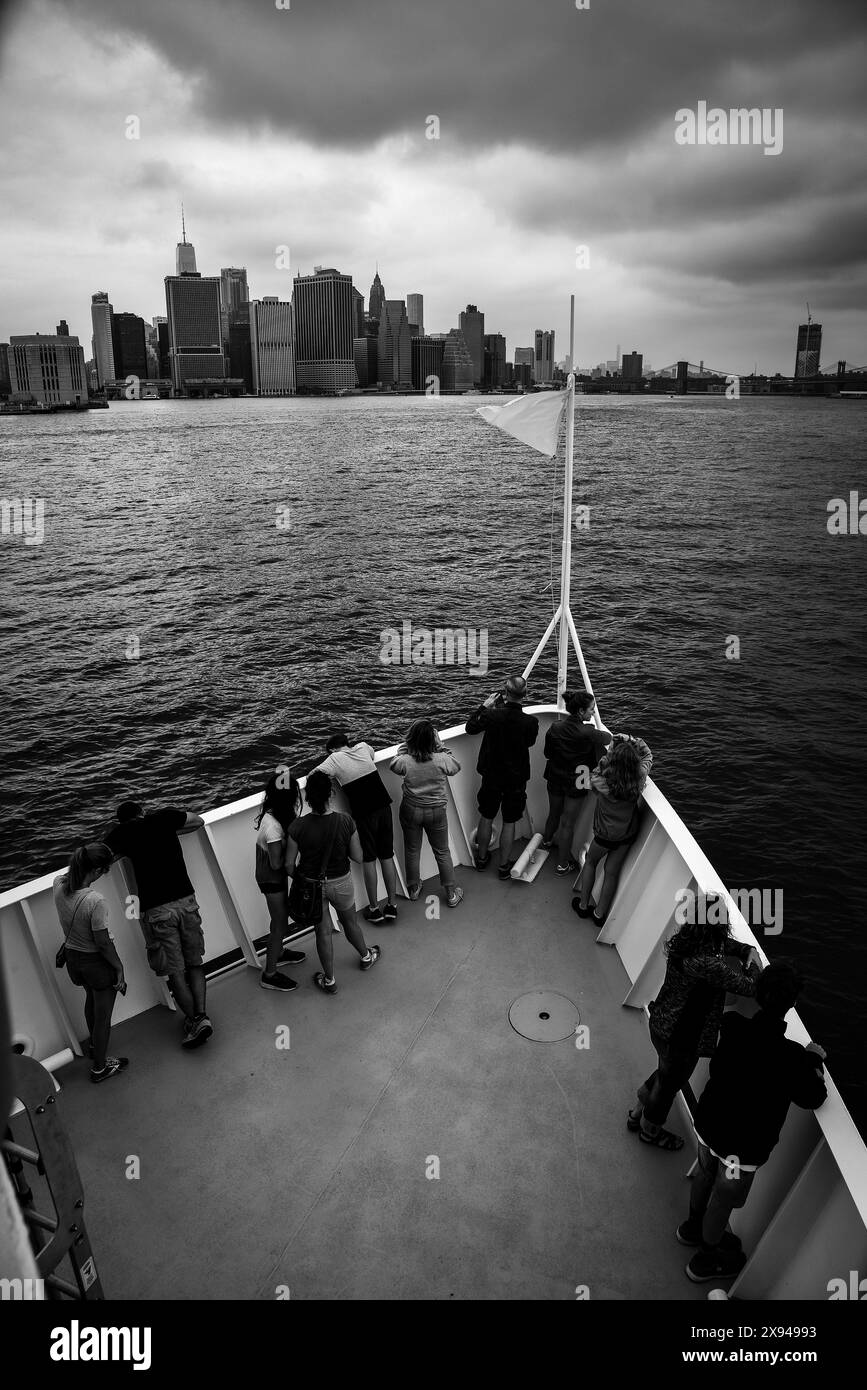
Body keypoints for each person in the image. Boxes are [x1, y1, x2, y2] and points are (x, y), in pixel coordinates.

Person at [682, 960, 827, 1282]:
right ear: (791, 1004)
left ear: (758, 995)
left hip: (708, 1123)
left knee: (705, 1173)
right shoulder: (793, 1057)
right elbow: (812, 1097)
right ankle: (704, 1260)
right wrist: (814, 1059)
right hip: (741, 1147)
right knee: (724, 1198)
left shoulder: (732, 1025)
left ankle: (692, 1226)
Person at [626, 915, 760, 1150]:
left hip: (662, 1022)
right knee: (669, 1086)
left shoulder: (684, 941)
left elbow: (723, 944)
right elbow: (749, 987)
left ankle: (637, 1112)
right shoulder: (707, 964)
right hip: (681, 1038)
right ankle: (650, 1131)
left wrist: (744, 948)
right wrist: (754, 962)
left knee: (666, 1073)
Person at [104, 801, 213, 1049]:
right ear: (142, 812)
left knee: (174, 970)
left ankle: (197, 1020)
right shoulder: (164, 819)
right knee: (195, 962)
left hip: (157, 911)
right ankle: (201, 1014)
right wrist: (172, 831)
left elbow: (102, 857)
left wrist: (124, 850)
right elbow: (198, 821)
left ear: (122, 821)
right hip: (187, 902)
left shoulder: (122, 834)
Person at [284, 769, 381, 994]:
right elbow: (358, 857)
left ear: (308, 798)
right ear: (331, 794)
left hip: (311, 886)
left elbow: (289, 865)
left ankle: (329, 980)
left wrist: (303, 880)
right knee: (350, 924)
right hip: (341, 882)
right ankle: (366, 956)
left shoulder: (297, 826)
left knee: (323, 932)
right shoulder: (345, 821)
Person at [53, 842, 128, 1084]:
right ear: (96, 871)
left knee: (91, 1000)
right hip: (96, 965)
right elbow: (103, 943)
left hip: (75, 960)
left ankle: (96, 1048)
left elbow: (68, 876)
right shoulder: (95, 901)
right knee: (103, 1018)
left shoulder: (58, 884)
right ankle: (100, 1068)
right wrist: (119, 968)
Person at [311, 733, 398, 924]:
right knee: (387, 855)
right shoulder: (363, 746)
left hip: (364, 813)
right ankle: (392, 905)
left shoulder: (334, 759)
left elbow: (314, 775)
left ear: (332, 749)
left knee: (369, 859)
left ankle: (374, 909)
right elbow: (372, 755)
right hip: (384, 806)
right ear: (346, 744)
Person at [572, 733, 652, 925]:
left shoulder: (601, 782)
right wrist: (633, 740)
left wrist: (611, 751)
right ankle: (599, 915)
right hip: (627, 834)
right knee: (611, 873)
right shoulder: (639, 778)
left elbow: (594, 772)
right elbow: (648, 755)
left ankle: (583, 906)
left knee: (591, 862)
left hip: (605, 835)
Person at [465, 675, 539, 880]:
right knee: (509, 820)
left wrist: (484, 707)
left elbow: (470, 728)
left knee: (486, 816)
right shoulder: (531, 722)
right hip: (516, 779)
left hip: (491, 775)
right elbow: (530, 743)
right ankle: (504, 866)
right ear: (525, 695)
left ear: (505, 694)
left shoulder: (492, 715)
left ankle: (481, 860)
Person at [389, 719, 463, 907]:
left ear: (411, 739)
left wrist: (407, 746)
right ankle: (451, 894)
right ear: (433, 741)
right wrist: (441, 746)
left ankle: (413, 889)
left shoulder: (405, 761)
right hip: (436, 811)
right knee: (442, 851)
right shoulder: (442, 760)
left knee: (412, 850)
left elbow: (394, 764)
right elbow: (456, 766)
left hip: (411, 809)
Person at [541, 689, 610, 874]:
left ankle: (546, 841)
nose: (593, 713)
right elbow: (608, 738)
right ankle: (562, 865)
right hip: (578, 779)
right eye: (591, 710)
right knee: (567, 823)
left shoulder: (555, 727)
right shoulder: (588, 732)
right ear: (580, 711)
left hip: (555, 775)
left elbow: (547, 753)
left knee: (554, 813)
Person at [254, 771, 308, 992]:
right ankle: (270, 974)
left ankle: (280, 952)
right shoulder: (274, 827)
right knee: (280, 924)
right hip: (271, 879)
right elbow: (277, 864)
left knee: (280, 921)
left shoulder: (272, 814)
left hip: (273, 878)